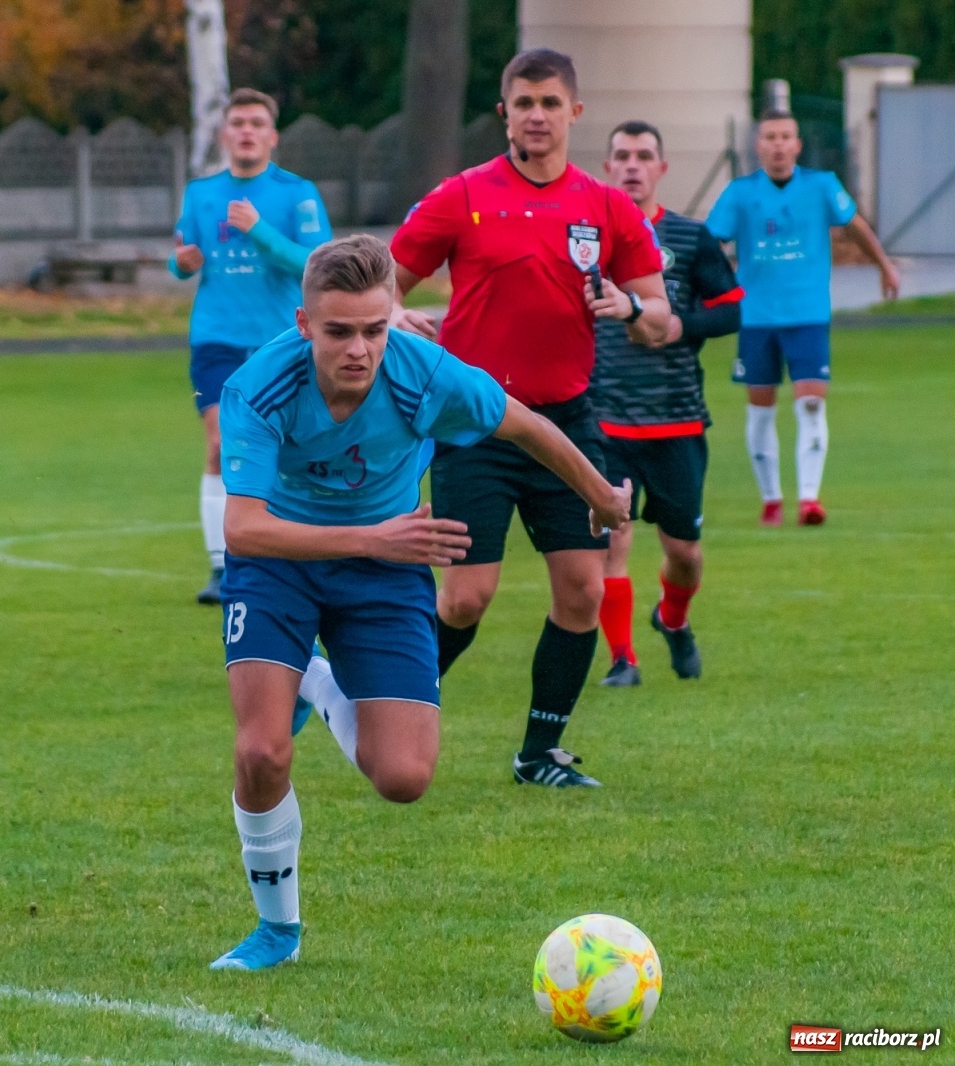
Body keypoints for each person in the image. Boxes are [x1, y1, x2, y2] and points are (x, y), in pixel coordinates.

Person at [210, 235, 630, 970]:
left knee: (404, 779)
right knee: (262, 750)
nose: (360, 350)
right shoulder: (260, 384)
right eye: (339, 331)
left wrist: (601, 496)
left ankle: (313, 675)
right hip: (284, 561)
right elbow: (243, 527)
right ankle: (277, 932)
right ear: (304, 323)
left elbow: (525, 424)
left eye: (376, 328)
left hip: (384, 565)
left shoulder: (424, 372)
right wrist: (371, 538)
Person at [348, 48, 670, 788]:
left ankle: (539, 754)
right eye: (523, 102)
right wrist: (396, 315)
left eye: (550, 103)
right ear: (504, 112)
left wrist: (630, 307)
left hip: (566, 424)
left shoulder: (606, 207)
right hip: (474, 424)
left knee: (583, 591)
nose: (536, 115)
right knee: (464, 597)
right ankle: (379, 707)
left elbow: (661, 317)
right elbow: (382, 287)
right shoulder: (462, 196)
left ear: (573, 113)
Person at [594, 121, 743, 686]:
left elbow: (731, 309)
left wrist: (680, 325)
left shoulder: (688, 237)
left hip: (677, 423)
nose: (632, 165)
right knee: (613, 539)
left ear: (662, 168)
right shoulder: (589, 240)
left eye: (644, 156)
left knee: (684, 552)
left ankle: (672, 620)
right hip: (605, 421)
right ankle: (621, 659)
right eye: (622, 155)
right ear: (607, 167)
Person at [170, 87, 330, 605]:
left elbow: (316, 263)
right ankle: (222, 567)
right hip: (216, 336)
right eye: (237, 122)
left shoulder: (297, 193)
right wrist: (182, 263)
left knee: (286, 449)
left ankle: (290, 551)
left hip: (281, 340)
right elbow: (180, 256)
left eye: (256, 122)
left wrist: (259, 231)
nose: (246, 131)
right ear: (224, 134)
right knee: (220, 443)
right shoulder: (201, 193)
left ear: (272, 135)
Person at [705, 109, 899, 527]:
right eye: (770, 137)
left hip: (808, 314)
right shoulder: (740, 193)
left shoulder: (821, 186)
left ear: (797, 144)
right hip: (756, 316)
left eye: (785, 137)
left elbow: (855, 226)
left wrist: (884, 265)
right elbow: (709, 244)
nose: (778, 145)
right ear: (758, 145)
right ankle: (771, 499)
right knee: (760, 411)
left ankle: (809, 499)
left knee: (810, 405)